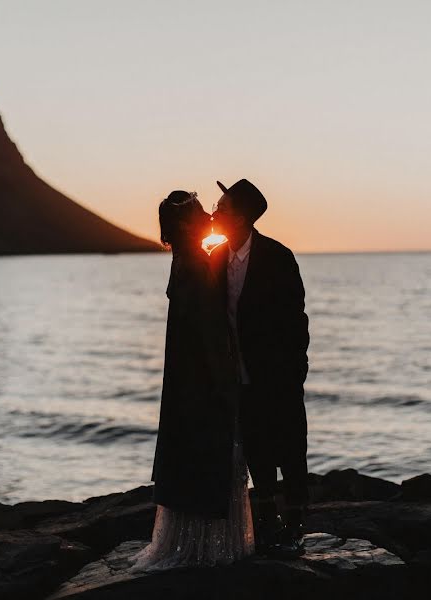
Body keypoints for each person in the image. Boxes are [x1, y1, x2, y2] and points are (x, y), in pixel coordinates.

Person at [130, 191, 254, 571]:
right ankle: (207, 548)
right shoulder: (196, 267)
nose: (208, 216)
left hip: (189, 378)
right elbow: (209, 332)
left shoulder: (185, 261)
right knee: (211, 453)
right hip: (202, 379)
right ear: (185, 225)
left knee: (195, 455)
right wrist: (225, 381)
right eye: (201, 212)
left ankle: (194, 543)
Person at [210, 179, 310, 557]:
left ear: (242, 216)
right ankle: (266, 519)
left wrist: (295, 373)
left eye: (222, 207)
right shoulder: (216, 259)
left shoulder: (278, 256)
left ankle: (297, 522)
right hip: (238, 375)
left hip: (278, 373)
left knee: (290, 447)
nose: (215, 213)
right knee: (255, 447)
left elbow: (296, 320)